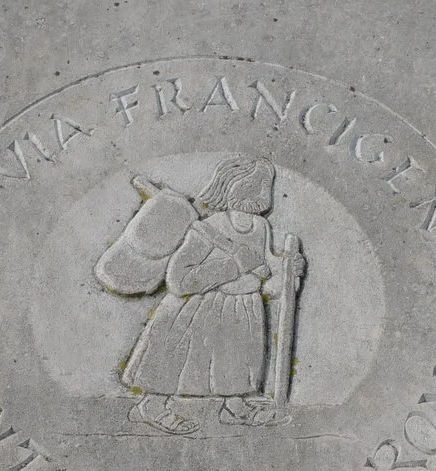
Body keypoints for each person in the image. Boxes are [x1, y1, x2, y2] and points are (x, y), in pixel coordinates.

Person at [93, 155, 299, 435]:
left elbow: (267, 271)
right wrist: (233, 266)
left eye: (265, 186)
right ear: (228, 186)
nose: (260, 194)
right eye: (252, 186)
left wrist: (288, 270)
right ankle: (150, 406)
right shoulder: (210, 228)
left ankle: (235, 406)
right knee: (176, 360)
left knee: (236, 360)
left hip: (244, 306)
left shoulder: (260, 227)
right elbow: (179, 280)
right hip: (201, 309)